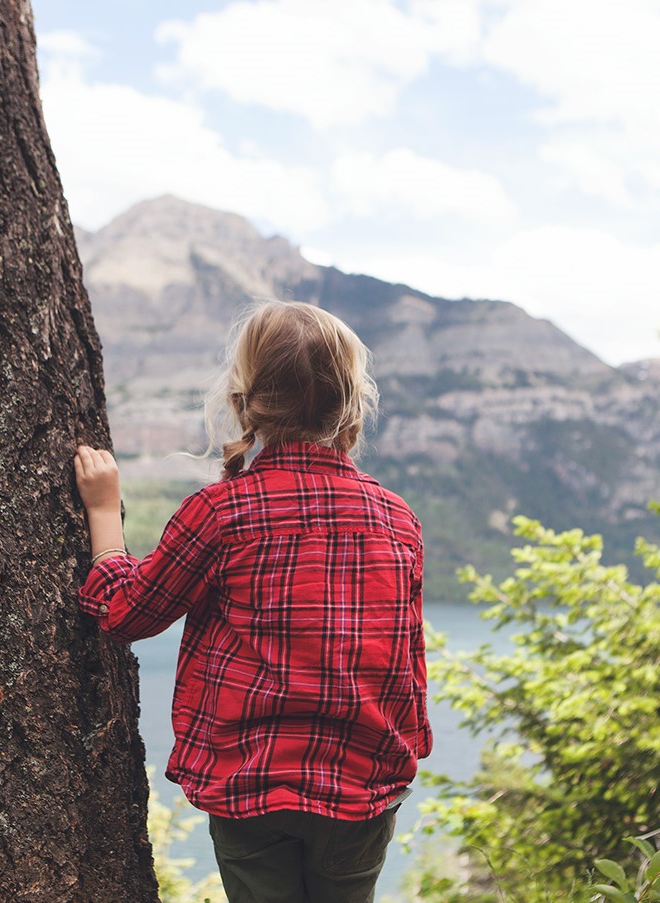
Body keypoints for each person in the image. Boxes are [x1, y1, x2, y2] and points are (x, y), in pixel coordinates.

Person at [73, 300, 432, 903]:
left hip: (249, 784)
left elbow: (125, 612)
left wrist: (104, 513)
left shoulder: (220, 512)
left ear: (242, 403)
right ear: (350, 406)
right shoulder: (397, 519)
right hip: (362, 786)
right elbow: (403, 661)